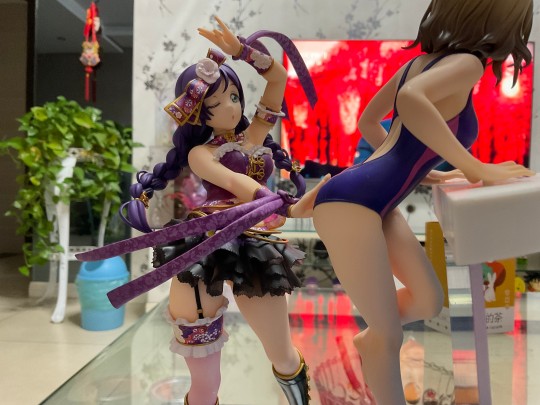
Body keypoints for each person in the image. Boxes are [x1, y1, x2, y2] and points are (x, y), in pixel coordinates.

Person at [78, 17, 325, 405]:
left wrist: (242, 51)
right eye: (216, 103)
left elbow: (277, 78)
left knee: (283, 355)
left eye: (234, 97)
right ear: (198, 113)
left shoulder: (254, 135)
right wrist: (282, 204)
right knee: (206, 381)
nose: (231, 107)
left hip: (254, 248)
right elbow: (239, 185)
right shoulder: (200, 154)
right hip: (203, 250)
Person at [312, 1, 535, 404]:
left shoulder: (418, 63)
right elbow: (413, 101)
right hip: (351, 202)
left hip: (375, 201)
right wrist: (474, 167)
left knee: (428, 300)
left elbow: (369, 123)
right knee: (389, 336)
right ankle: (380, 342)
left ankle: (374, 339)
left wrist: (425, 172)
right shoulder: (469, 63)